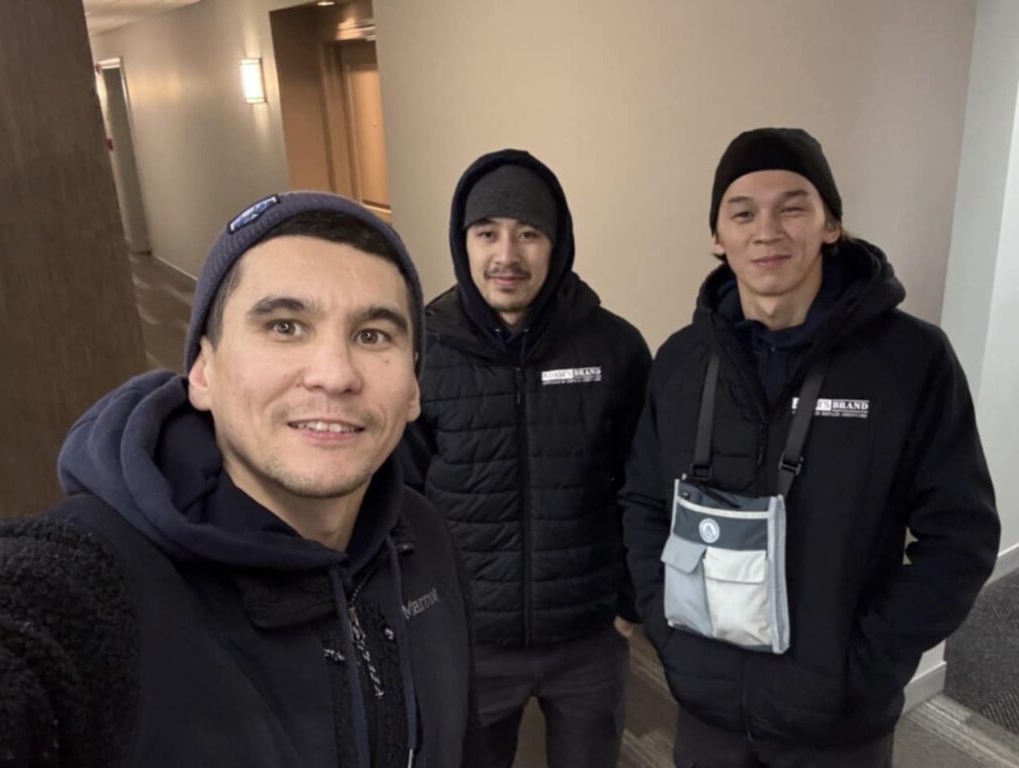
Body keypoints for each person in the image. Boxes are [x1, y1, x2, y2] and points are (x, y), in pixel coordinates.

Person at [0, 192, 477, 767]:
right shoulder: (97, 575)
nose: (335, 374)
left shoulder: (423, 534)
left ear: (414, 388)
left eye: (373, 335)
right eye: (285, 326)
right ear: (202, 371)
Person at [621, 127, 1000, 767]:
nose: (767, 231)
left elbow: (960, 538)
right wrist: (665, 629)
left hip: (837, 724)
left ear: (831, 224)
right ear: (717, 237)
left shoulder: (910, 361)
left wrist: (864, 666)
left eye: (792, 207)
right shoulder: (681, 361)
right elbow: (642, 504)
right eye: (743, 213)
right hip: (706, 709)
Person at [398, 149, 651, 767]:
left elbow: (644, 485)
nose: (506, 256)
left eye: (528, 234)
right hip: (471, 641)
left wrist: (628, 604)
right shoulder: (422, 352)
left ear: (557, 244)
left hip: (589, 639)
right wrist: (423, 613)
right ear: (463, 242)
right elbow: (401, 498)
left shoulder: (615, 348)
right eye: (487, 233)